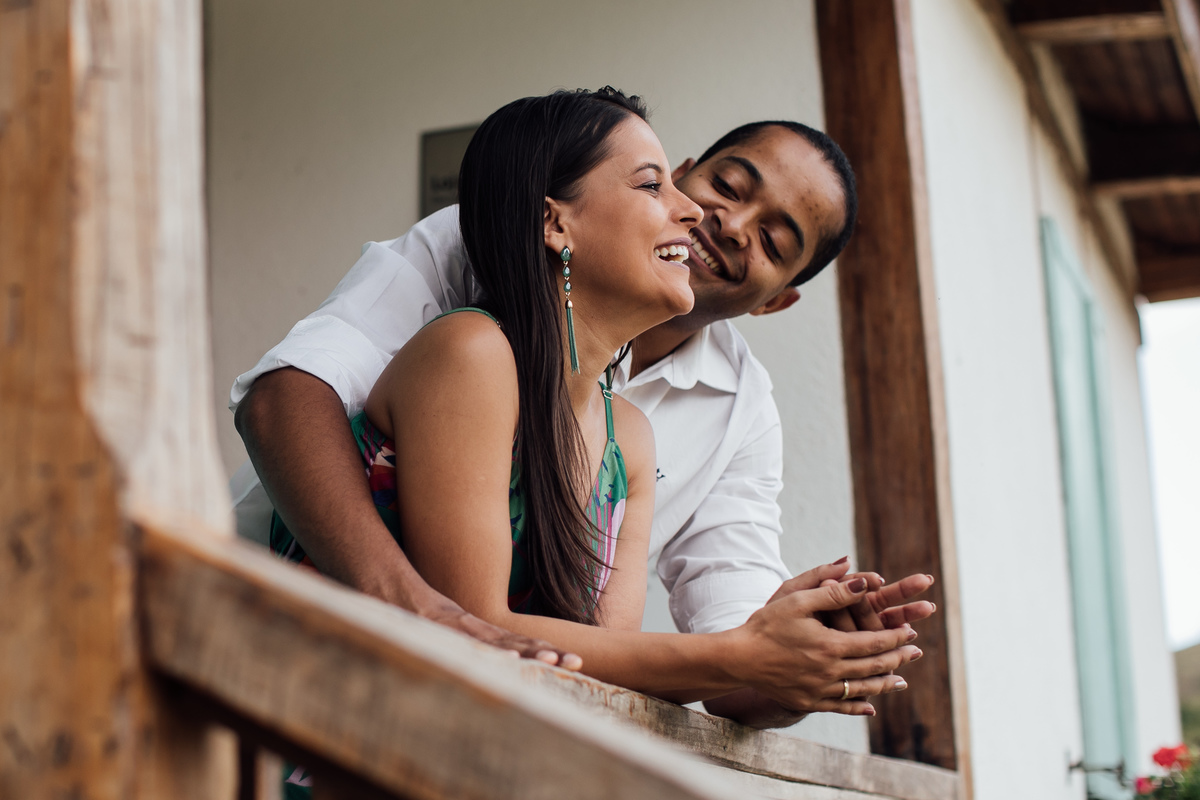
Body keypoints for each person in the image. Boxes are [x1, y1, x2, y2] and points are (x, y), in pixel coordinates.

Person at [231, 91, 934, 727]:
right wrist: (419, 607)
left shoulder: (660, 431)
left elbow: (645, 654)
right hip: (273, 651)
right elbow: (286, 398)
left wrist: (806, 653)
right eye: (722, 184)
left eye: (775, 242)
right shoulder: (474, 308)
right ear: (554, 222)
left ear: (777, 299)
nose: (719, 222)